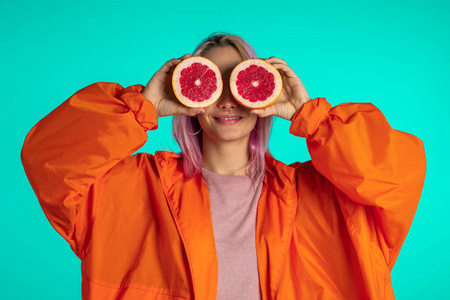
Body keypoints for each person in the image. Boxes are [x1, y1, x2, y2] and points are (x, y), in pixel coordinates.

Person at [21, 33, 426, 300]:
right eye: (210, 81)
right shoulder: (129, 189)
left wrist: (312, 118)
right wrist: (139, 108)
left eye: (242, 81)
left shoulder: (325, 199)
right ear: (187, 94)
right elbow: (50, 159)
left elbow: (397, 174)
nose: (229, 99)